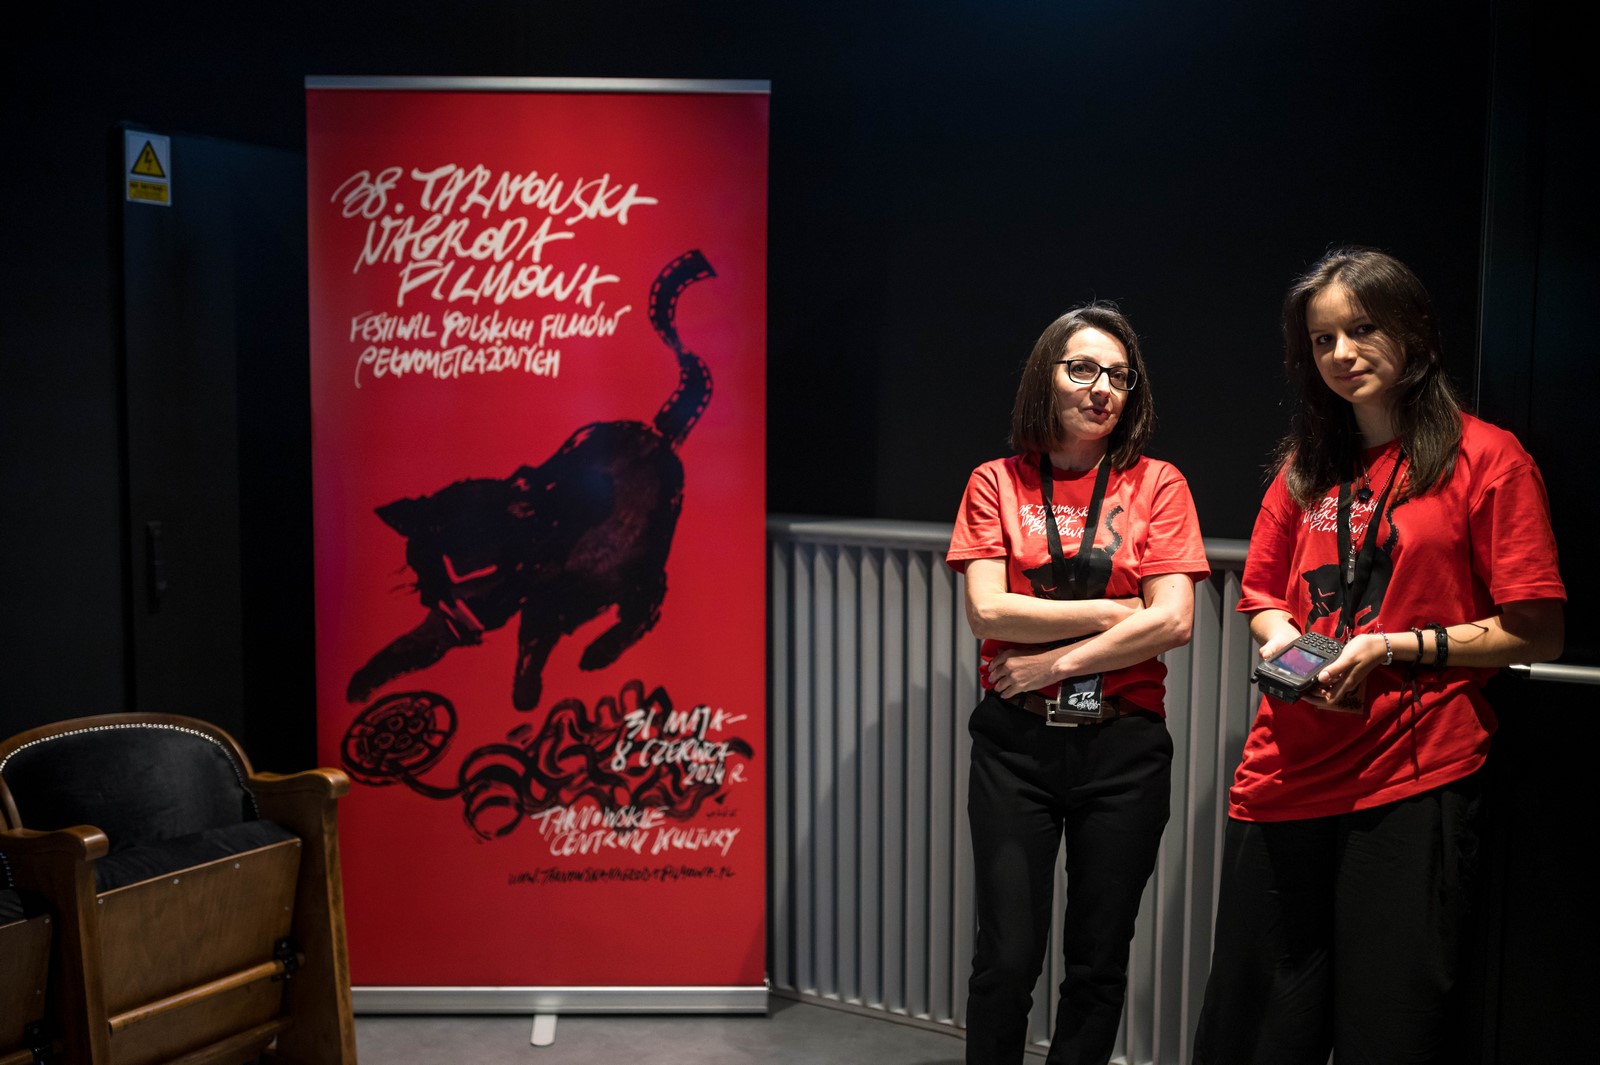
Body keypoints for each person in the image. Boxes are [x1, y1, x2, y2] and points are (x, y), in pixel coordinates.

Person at [1191, 247, 1565, 1064]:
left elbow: (1538, 630)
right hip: (1286, 769)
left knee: (1388, 1025)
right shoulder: (1305, 467)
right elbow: (1262, 594)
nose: (1342, 353)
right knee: (1258, 1025)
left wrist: (1392, 645)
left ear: (1415, 331)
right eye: (1322, 339)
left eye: (1362, 330)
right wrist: (1289, 648)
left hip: (1412, 771)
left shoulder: (1487, 457)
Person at [947, 302, 1209, 1065]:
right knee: (1006, 958)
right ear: (1047, 375)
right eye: (1084, 368)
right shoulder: (995, 482)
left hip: (1123, 748)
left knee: (1098, 963)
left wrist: (1050, 662)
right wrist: (1115, 612)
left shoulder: (1158, 484)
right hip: (1015, 747)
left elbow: (1174, 621)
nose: (1103, 389)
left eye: (1120, 376)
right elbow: (987, 609)